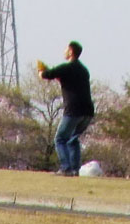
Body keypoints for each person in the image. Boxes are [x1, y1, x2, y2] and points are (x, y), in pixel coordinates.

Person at [35, 42, 95, 176]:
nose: (64, 51)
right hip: (88, 111)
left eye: (66, 49)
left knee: (60, 139)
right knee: (73, 139)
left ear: (71, 52)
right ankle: (75, 170)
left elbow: (47, 74)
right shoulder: (84, 70)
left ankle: (65, 168)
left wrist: (40, 71)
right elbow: (67, 79)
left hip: (73, 110)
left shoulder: (67, 67)